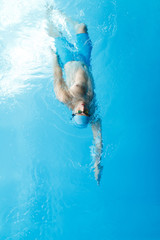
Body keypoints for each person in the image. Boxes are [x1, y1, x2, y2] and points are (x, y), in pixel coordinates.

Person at [46, 7, 103, 184]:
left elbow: (57, 74)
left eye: (80, 112)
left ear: (74, 113)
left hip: (68, 57)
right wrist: (97, 165)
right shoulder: (92, 112)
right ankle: (63, 16)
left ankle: (47, 12)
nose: (84, 109)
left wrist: (54, 57)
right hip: (85, 60)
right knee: (82, 27)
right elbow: (98, 142)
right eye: (85, 113)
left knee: (56, 31)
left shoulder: (65, 97)